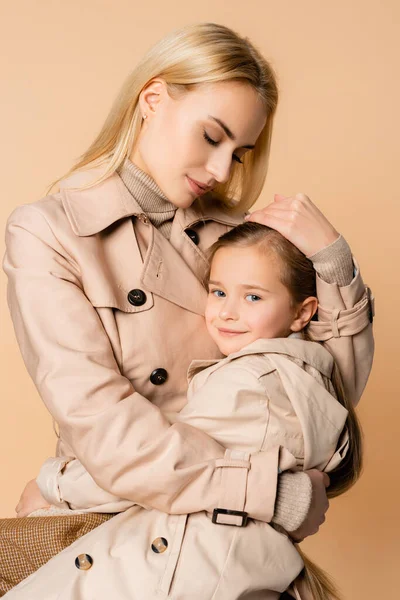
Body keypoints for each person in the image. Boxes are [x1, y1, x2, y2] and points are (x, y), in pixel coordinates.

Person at [2, 21, 374, 599]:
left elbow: (320, 399)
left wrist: (334, 263)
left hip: (236, 556)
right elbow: (105, 427)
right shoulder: (51, 233)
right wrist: (272, 492)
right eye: (211, 136)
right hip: (121, 546)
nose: (223, 171)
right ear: (152, 100)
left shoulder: (239, 238)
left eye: (240, 151)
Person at [7, 222, 363, 600]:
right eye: (219, 292)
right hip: (221, 564)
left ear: (302, 313)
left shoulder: (250, 383)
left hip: (182, 568)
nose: (227, 312)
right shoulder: (308, 375)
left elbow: (156, 472)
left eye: (253, 298)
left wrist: (53, 483)